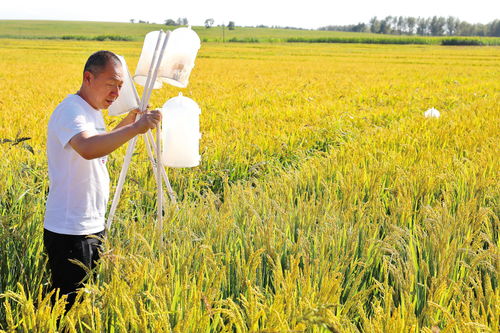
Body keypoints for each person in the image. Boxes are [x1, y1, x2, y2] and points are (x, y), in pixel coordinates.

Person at [43, 50, 161, 310]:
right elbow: (87, 148)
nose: (116, 94)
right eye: (111, 85)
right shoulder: (70, 110)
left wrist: (126, 123)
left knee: (81, 304)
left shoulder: (92, 112)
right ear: (88, 77)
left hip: (91, 225)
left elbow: (99, 146)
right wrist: (135, 129)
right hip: (70, 230)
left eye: (120, 87)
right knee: (67, 309)